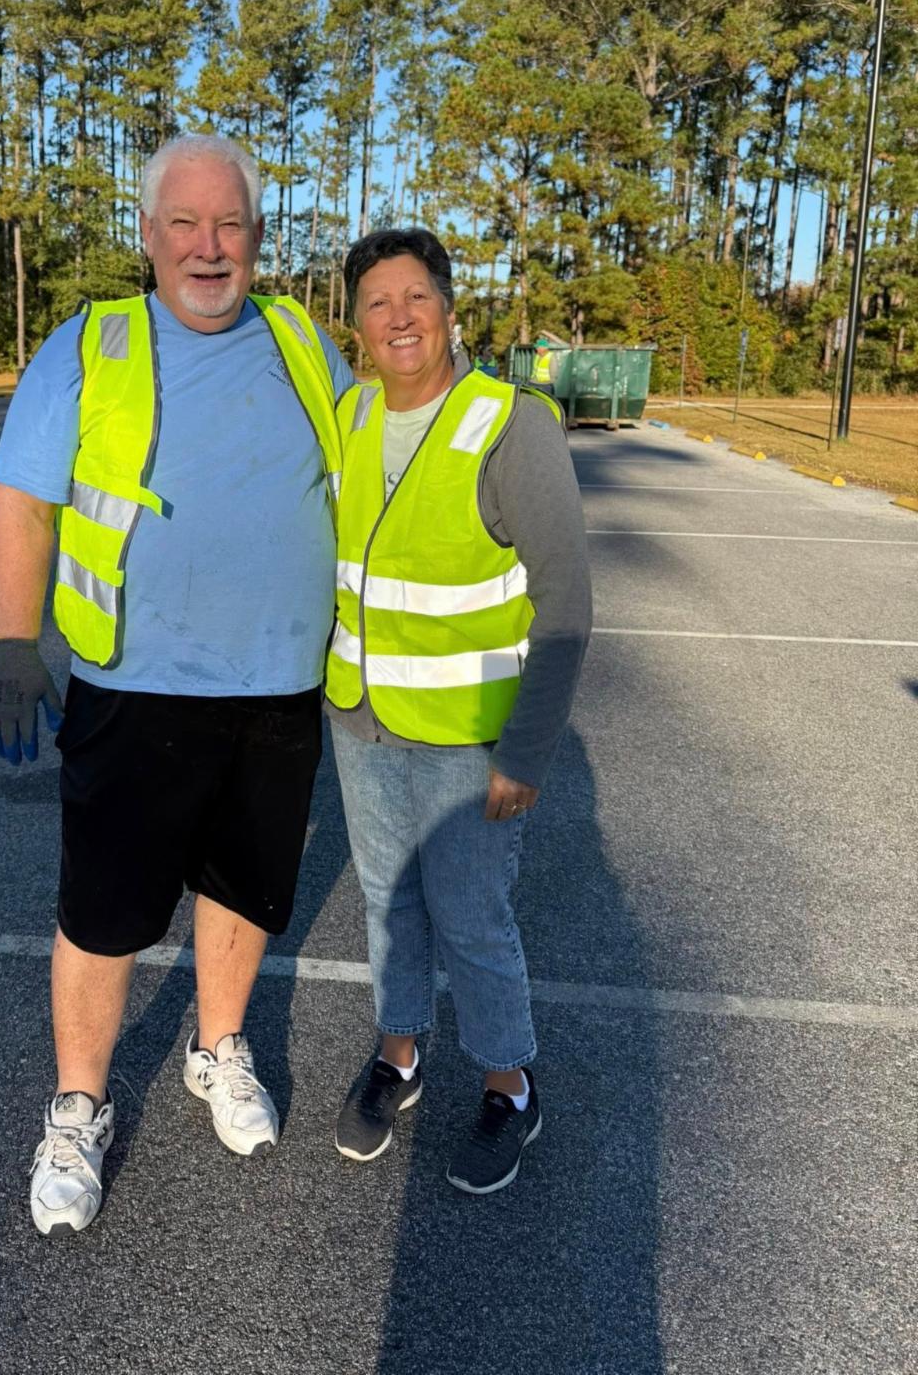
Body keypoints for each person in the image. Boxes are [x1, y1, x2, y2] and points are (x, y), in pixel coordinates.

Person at [0, 133, 353, 1236]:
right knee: (103, 914)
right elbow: (21, 504)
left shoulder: (302, 341)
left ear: (259, 237)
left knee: (244, 888)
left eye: (229, 224)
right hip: (135, 688)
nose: (208, 246)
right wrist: (9, 644)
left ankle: (216, 1047)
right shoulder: (91, 345)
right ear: (148, 236)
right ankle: (80, 1106)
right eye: (184, 223)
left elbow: (365, 474)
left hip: (279, 687)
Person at [325, 228, 591, 1195]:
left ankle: (509, 1084)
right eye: (377, 302)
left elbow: (566, 602)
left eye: (415, 298)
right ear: (357, 325)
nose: (398, 318)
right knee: (388, 905)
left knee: (472, 919)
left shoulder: (511, 424)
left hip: (471, 739)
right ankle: (398, 1057)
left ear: (448, 308)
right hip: (362, 721)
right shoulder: (352, 415)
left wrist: (527, 751)